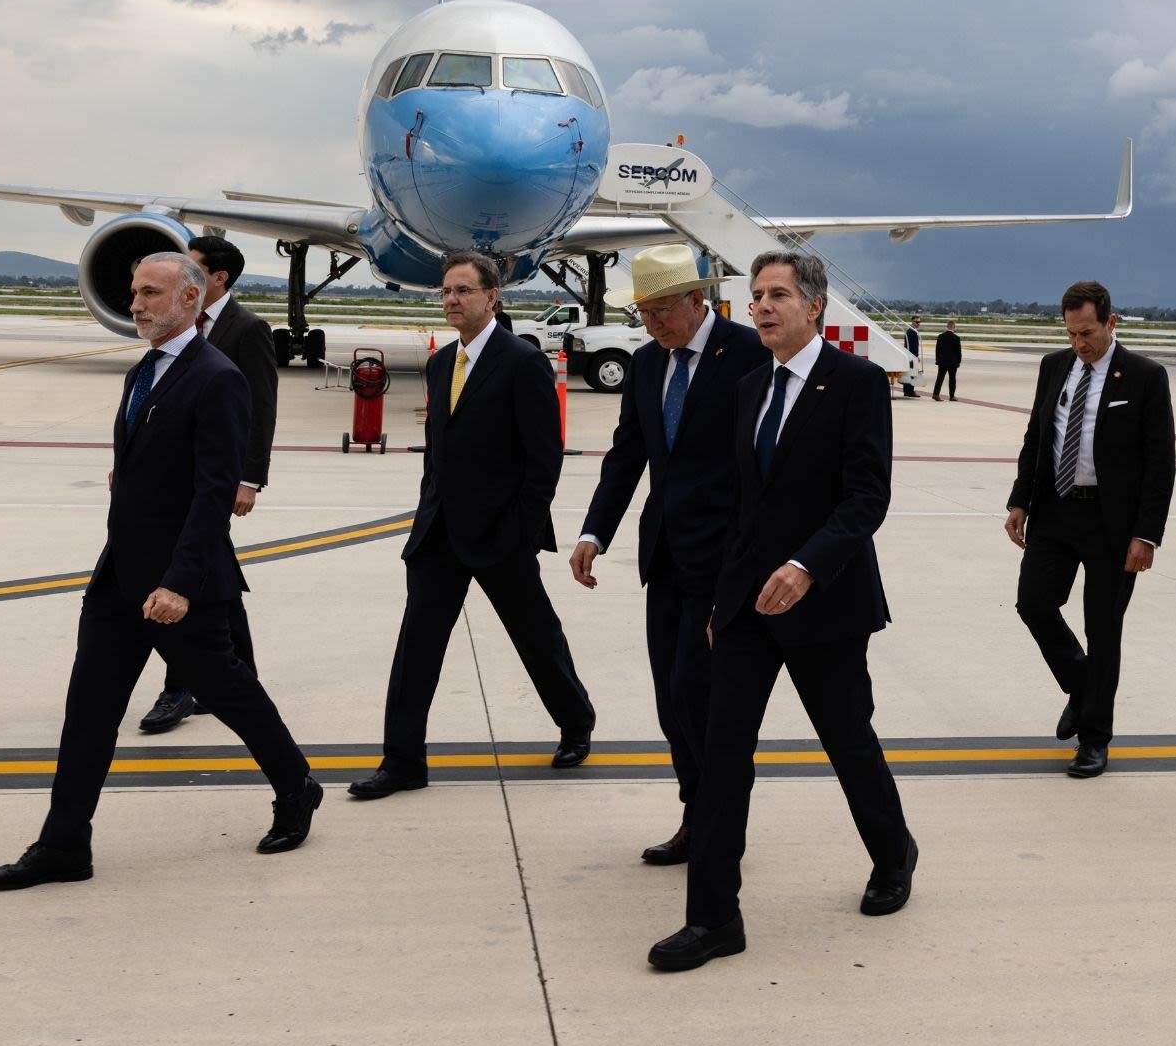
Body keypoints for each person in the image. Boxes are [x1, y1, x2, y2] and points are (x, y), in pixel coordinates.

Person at [0, 253, 319, 888]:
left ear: (190, 298)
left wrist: (180, 583)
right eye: (134, 293)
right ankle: (63, 845)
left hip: (180, 582)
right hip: (119, 577)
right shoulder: (144, 370)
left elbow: (213, 492)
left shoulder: (216, 377)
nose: (135, 305)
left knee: (230, 693)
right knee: (89, 711)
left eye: (150, 293)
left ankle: (296, 784)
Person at [648, 250, 915, 972]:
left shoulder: (857, 383)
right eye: (756, 296)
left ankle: (894, 854)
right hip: (747, 607)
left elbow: (867, 497)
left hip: (825, 601)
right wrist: (721, 600)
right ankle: (713, 919)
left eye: (777, 295)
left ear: (814, 306)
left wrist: (805, 566)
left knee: (847, 740)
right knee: (723, 755)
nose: (762, 307)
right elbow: (743, 506)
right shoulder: (750, 386)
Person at [350, 252, 599, 800]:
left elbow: (543, 459)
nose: (452, 300)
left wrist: (521, 530)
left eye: (463, 290)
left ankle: (576, 721)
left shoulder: (522, 362)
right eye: (446, 291)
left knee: (536, 638)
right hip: (439, 533)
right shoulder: (442, 364)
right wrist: (426, 512)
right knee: (416, 649)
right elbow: (437, 452)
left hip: (501, 534)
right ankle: (402, 762)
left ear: (492, 297)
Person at [574, 245, 769, 864]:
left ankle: (718, 823)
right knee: (670, 700)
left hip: (725, 559)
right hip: (665, 556)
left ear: (696, 300)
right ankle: (697, 812)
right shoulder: (646, 363)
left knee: (699, 695)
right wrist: (594, 532)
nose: (652, 322)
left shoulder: (748, 354)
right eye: (643, 311)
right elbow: (627, 456)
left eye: (662, 309)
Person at [1006, 281, 1175, 778]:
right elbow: (1037, 437)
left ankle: (1095, 739)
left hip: (1112, 523)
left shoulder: (1145, 376)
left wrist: (1147, 534)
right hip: (1056, 511)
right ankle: (1083, 687)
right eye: (1071, 334)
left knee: (1103, 629)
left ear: (1110, 322)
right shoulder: (1054, 366)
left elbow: (1160, 462)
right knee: (1033, 604)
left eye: (1087, 333)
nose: (1079, 343)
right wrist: (1020, 500)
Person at [140, 234, 280, 735]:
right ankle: (239, 677)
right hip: (174, 480)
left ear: (217, 278)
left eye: (192, 266)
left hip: (214, 481)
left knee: (190, 571)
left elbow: (261, 408)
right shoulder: (175, 327)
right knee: (214, 575)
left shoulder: (247, 329)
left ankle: (179, 687)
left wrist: (249, 479)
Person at [932, 319, 964, 401]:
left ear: (947, 326)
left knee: (940, 378)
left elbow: (937, 350)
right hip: (952, 362)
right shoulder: (956, 338)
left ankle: (935, 394)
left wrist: (937, 360)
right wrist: (959, 361)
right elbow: (958, 352)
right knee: (952, 379)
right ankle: (952, 396)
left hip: (942, 361)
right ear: (954, 327)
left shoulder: (940, 336)